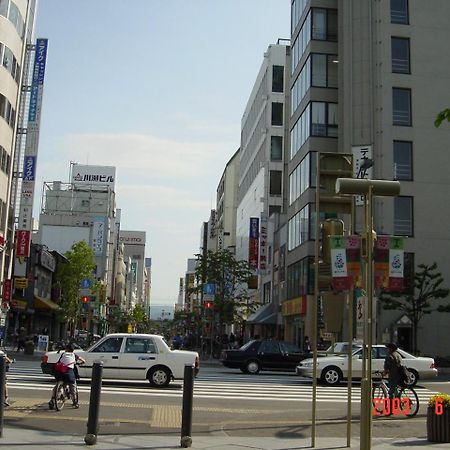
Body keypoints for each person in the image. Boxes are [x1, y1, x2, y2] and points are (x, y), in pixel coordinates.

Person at [48, 343, 85, 409]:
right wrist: (82, 362)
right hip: (69, 374)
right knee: (73, 386)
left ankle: (52, 400)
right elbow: (83, 360)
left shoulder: (63, 354)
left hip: (60, 373)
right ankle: (75, 402)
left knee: (57, 386)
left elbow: (59, 362)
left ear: (66, 349)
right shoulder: (74, 355)